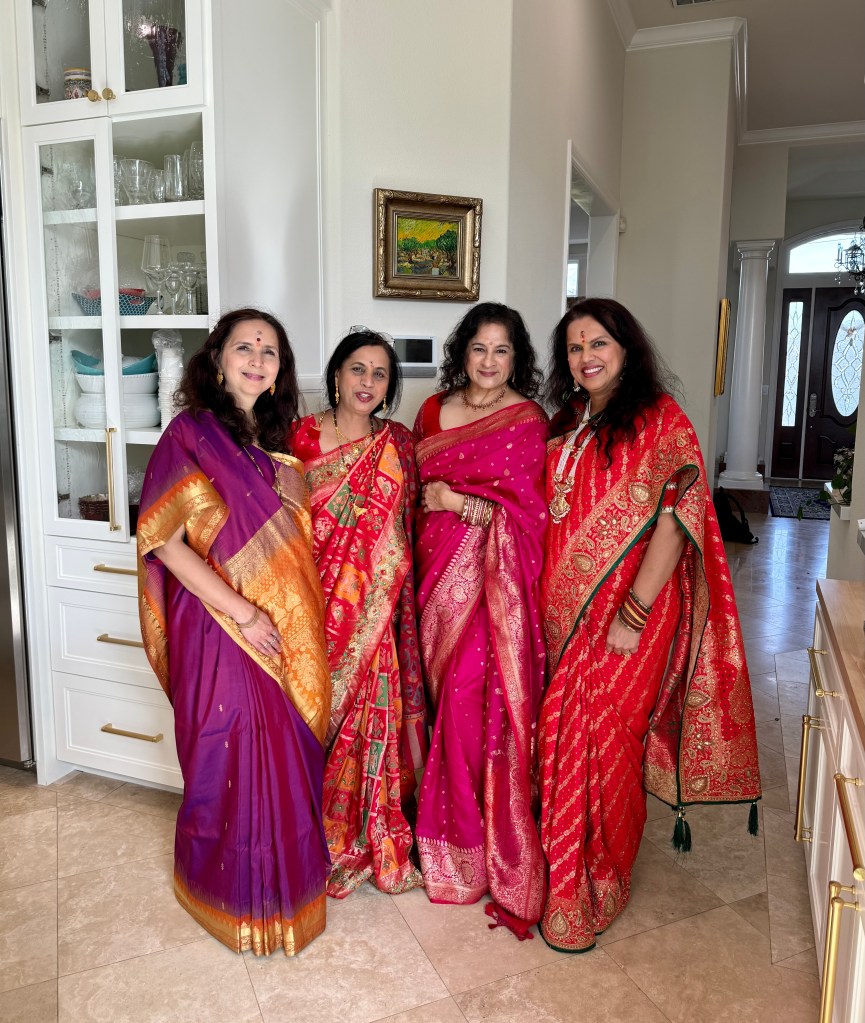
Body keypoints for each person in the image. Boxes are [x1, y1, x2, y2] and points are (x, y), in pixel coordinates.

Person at [538, 297, 761, 953]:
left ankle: (600, 881)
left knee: (608, 737)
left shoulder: (662, 421)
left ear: (626, 348)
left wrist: (632, 613)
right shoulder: (567, 420)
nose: (586, 357)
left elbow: (674, 522)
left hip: (630, 613)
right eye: (574, 347)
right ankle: (562, 874)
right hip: (564, 617)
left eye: (597, 343)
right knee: (561, 736)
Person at [137, 308, 331, 956]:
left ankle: (283, 895)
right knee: (223, 752)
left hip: (281, 631)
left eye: (269, 351)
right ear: (217, 359)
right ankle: (220, 894)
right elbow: (166, 543)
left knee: (281, 754)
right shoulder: (189, 434)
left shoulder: (279, 454)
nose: (256, 359)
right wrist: (244, 613)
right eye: (244, 346)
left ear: (280, 371)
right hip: (217, 626)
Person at [413, 302, 549, 938]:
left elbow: (531, 517)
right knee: (442, 701)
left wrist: (459, 502)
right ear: (461, 352)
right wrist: (436, 506)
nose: (489, 362)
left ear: (516, 358)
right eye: (479, 348)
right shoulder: (432, 411)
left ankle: (471, 846)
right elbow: (412, 495)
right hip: (433, 577)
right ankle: (447, 839)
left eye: (502, 350)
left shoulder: (527, 421)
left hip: (494, 590)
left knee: (470, 702)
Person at [290, 328, 427, 897]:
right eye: (357, 369)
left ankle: (354, 830)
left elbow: (408, 530)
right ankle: (300, 832)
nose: (367, 382)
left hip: (373, 614)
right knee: (306, 712)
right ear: (336, 375)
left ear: (389, 386)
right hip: (308, 606)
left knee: (366, 721)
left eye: (380, 374)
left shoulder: (398, 446)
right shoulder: (298, 436)